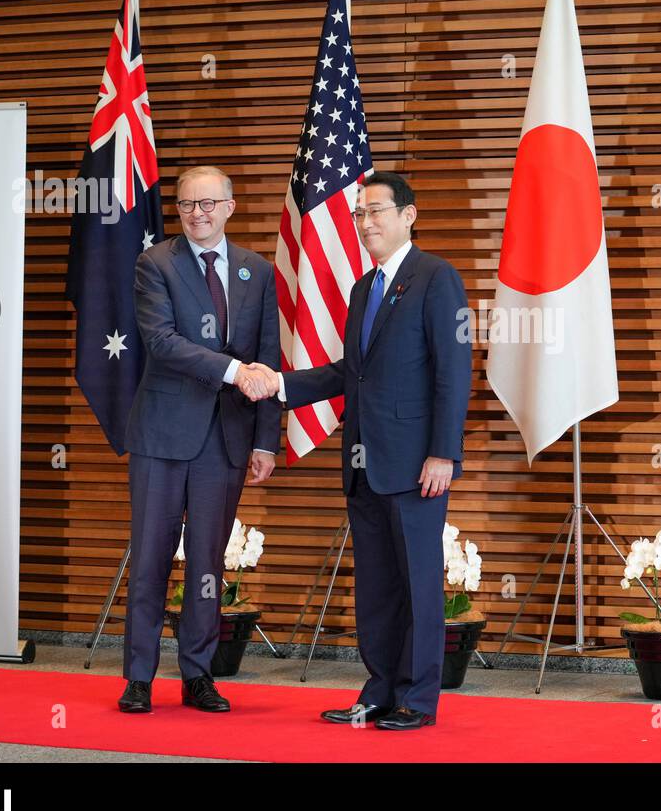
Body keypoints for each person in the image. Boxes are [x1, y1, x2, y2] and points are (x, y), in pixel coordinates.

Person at [241, 171, 471, 730]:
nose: (366, 223)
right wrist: (281, 384)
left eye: (376, 212)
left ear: (408, 215)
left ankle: (418, 699)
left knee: (418, 585)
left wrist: (443, 453)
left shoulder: (437, 278)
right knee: (376, 586)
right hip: (365, 462)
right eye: (359, 215)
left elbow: (454, 371)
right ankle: (380, 690)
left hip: (417, 465)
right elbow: (352, 373)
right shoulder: (363, 288)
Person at [118, 165, 281, 714]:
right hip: (163, 436)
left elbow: (267, 356)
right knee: (151, 560)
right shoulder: (154, 263)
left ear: (230, 207)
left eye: (209, 203)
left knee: (208, 563)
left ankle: (198, 675)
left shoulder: (257, 271)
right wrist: (235, 372)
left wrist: (266, 441)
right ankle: (139, 676)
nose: (198, 213)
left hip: (227, 442)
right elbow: (162, 342)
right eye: (188, 204)